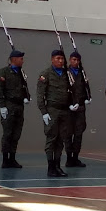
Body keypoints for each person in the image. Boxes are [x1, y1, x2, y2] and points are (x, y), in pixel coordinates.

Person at [37, 49, 72, 177]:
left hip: (65, 111)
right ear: (52, 59)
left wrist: (72, 103)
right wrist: (44, 112)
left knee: (60, 140)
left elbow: (72, 91)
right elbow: (40, 95)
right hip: (52, 110)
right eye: (57, 58)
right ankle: (50, 167)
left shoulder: (67, 74)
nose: (60, 61)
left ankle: (57, 166)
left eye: (62, 58)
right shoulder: (45, 74)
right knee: (51, 139)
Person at [0, 49, 29, 168]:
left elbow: (24, 87)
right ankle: (5, 159)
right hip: (9, 106)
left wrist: (26, 97)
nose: (23, 61)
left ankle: (12, 158)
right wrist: (2, 106)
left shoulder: (21, 73)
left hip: (19, 106)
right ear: (14, 59)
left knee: (16, 134)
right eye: (21, 59)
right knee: (8, 133)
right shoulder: (4, 72)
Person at [65, 51, 89, 168]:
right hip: (69, 109)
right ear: (70, 60)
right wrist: (68, 104)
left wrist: (87, 98)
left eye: (77, 60)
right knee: (68, 133)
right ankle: (69, 158)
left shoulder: (82, 73)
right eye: (73, 60)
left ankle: (75, 157)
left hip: (80, 107)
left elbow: (85, 87)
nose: (75, 62)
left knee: (79, 133)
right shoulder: (66, 72)